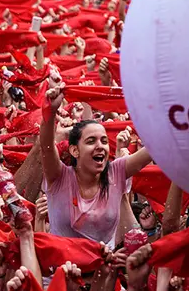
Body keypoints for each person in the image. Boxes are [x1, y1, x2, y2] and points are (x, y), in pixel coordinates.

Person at [40, 85, 153, 247]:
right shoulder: (58, 177)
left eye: (104, 141)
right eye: (91, 141)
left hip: (105, 270)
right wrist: (50, 111)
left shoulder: (116, 172)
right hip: (64, 270)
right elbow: (46, 145)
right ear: (74, 150)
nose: (100, 146)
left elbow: (154, 147)